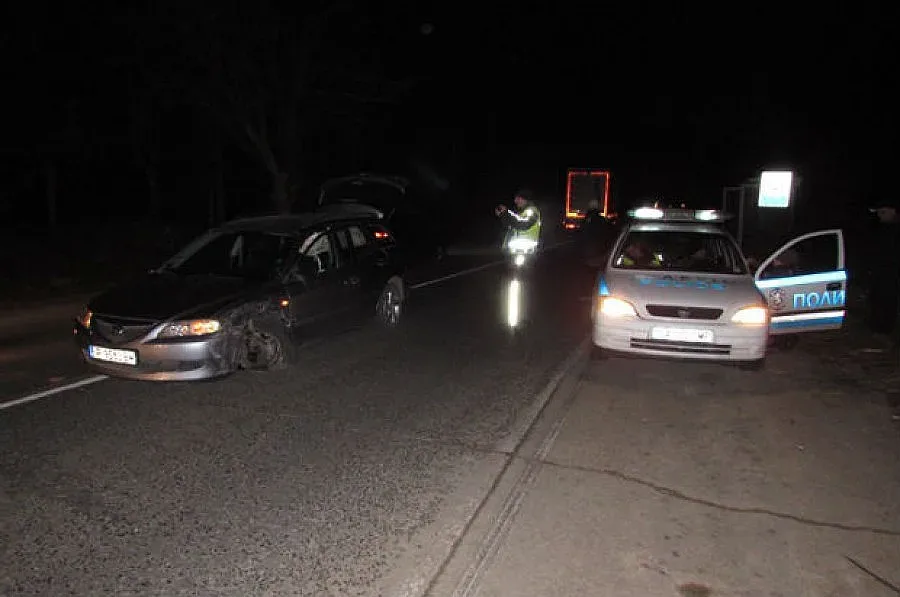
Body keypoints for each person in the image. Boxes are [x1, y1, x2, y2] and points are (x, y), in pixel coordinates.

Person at [866, 199, 900, 338]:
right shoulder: (881, 229)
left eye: (883, 212)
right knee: (877, 300)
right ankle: (877, 328)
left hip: (890, 275)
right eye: (879, 213)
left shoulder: (894, 231)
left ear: (893, 212)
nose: (880, 216)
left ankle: (884, 330)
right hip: (879, 274)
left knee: (887, 301)